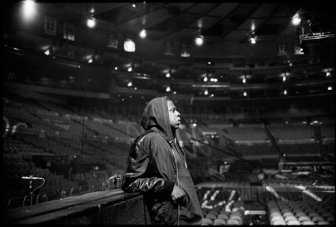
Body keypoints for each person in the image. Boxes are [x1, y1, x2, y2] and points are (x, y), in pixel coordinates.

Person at [122, 96, 203, 225]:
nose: (178, 113)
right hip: (169, 218)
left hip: (185, 215)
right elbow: (130, 182)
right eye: (173, 110)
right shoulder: (148, 140)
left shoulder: (172, 143)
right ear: (160, 114)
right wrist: (167, 187)